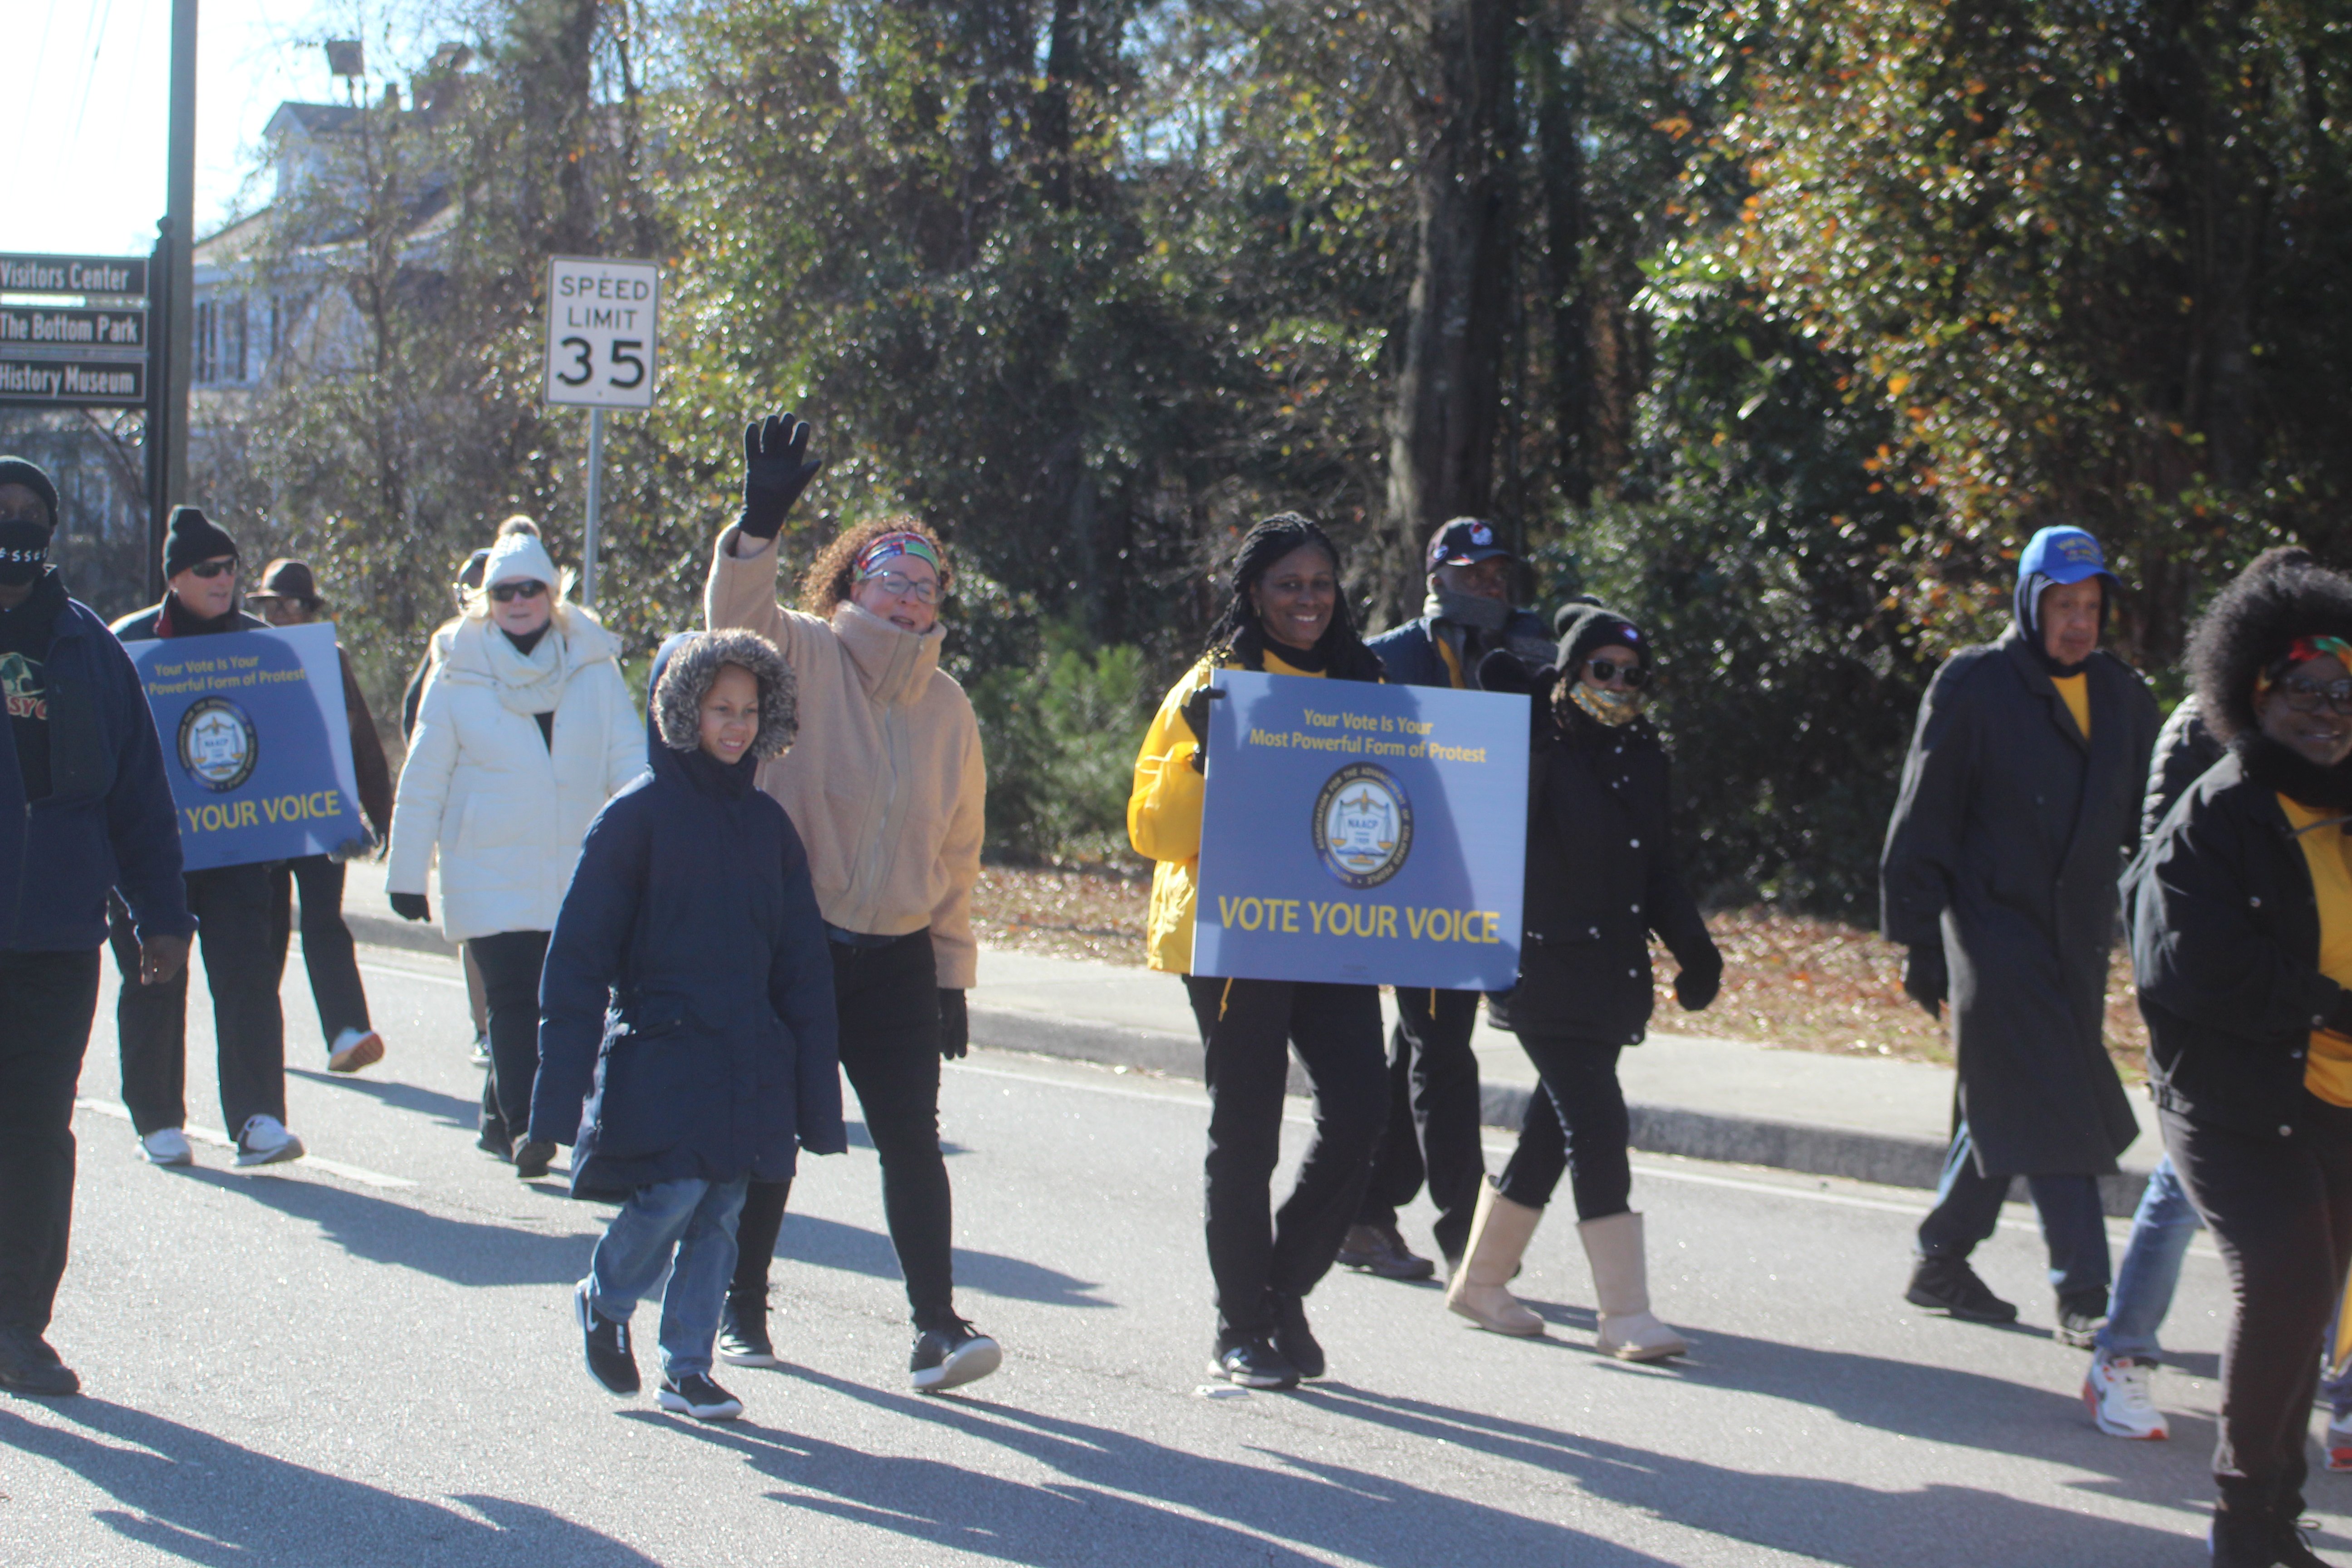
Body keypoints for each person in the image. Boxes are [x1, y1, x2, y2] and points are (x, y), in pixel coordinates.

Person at [705, 413, 998, 1392]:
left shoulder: (950, 708)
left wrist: (951, 972)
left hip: (900, 955)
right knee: (775, 1132)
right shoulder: (800, 657)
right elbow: (735, 623)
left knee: (912, 1137)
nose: (912, 593)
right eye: (891, 575)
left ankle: (937, 1326)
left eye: (928, 583)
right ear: (850, 586)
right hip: (799, 944)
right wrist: (758, 524)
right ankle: (740, 1307)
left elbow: (955, 852)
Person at [532, 630, 844, 1423]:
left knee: (721, 1212)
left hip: (747, 1058)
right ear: (680, 712)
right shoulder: (633, 819)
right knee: (672, 1191)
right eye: (718, 709)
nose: (735, 726)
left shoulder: (769, 826)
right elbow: (576, 962)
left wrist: (814, 1094)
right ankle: (605, 1296)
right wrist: (550, 1103)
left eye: (748, 710)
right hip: (662, 1053)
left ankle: (688, 1367)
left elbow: (801, 965)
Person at [2083, 546, 2352, 1449]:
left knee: (2311, 1270)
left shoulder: (2338, 769)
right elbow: (2175, 920)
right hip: (2230, 1067)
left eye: (2342, 682)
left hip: (2321, 1079)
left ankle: (2327, 1414)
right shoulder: (2207, 760)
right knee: (2195, 1203)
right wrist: (2317, 998)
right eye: (2302, 683)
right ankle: (2124, 1350)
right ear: (2252, 679)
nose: (2325, 703)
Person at [1127, 512, 1392, 1389]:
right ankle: (1237, 1326)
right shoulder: (1213, 682)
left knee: (1360, 1109)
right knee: (1245, 1133)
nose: (1307, 600)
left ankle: (1281, 1289)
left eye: (1319, 583)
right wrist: (1206, 751)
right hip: (1232, 933)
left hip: (1332, 931)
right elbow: (1151, 833)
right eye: (1287, 585)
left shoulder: (1366, 680)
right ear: (1252, 594)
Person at [1882, 525, 2158, 1343]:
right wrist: (1917, 939)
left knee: (2009, 1094)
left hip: (2073, 937)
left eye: (2089, 605)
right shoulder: (1975, 683)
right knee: (2053, 1096)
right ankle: (2084, 1294)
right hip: (1987, 928)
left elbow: (2149, 819)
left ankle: (1939, 1259)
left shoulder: (2120, 694)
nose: (2077, 622)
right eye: (2061, 605)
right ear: (2028, 602)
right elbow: (1921, 813)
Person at [1442, 606, 1720, 1358]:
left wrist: (1694, 950)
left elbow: (1656, 868)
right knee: (1596, 1124)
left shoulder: (1642, 755)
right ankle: (1623, 1315)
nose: (1618, 685)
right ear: (1568, 674)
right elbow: (1483, 824)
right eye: (1601, 669)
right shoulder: (1535, 746)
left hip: (1609, 977)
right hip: (1539, 969)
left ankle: (1480, 1282)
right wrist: (1520, 725)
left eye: (1632, 675)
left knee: (1551, 1132)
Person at [0, 457, 193, 1396]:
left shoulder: (88, 649)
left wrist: (164, 917)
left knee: (36, 1130)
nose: (16, 526)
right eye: (2, 511)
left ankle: (17, 1326)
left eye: (33, 514)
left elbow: (140, 798)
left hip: (55, 939)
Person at [385, 523, 642, 1179]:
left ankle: (504, 1118)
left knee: (571, 1000)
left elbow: (632, 766)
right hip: (487, 861)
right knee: (511, 997)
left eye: (531, 589)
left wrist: (655, 852)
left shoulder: (592, 665)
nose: (518, 601)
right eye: (504, 592)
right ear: (486, 601)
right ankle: (532, 1126)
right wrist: (406, 873)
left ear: (553, 594)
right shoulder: (458, 669)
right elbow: (426, 775)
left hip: (575, 867)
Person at [1345, 518, 1553, 1280]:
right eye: (1474, 573)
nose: (1490, 585)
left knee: (1420, 1047)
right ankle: (1467, 1235)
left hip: (1496, 879)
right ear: (1436, 578)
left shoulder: (1530, 649)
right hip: (1417, 883)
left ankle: (1363, 1209)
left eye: (1499, 572)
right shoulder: (1389, 657)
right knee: (1441, 1052)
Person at [108, 507, 306, 1170]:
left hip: (238, 850)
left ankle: (258, 1120)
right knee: (154, 979)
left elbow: (296, 743)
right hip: (147, 851)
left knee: (249, 980)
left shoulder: (265, 647)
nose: (224, 579)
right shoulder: (128, 645)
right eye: (208, 569)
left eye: (232, 568)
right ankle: (158, 1119)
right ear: (176, 576)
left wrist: (325, 819)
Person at [246, 558, 394, 1074]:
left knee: (325, 923)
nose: (281, 614)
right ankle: (254, 1030)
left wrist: (379, 815)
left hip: (322, 812)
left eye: (292, 604)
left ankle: (347, 1032)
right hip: (259, 820)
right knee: (264, 928)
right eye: (271, 605)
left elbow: (362, 743)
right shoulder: (239, 657)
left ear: (311, 611)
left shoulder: (329, 660)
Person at [403, 542, 496, 1067]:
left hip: (534, 825)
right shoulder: (450, 648)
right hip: (466, 818)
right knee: (476, 927)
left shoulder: (553, 647)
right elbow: (415, 723)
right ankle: (484, 1027)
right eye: (472, 590)